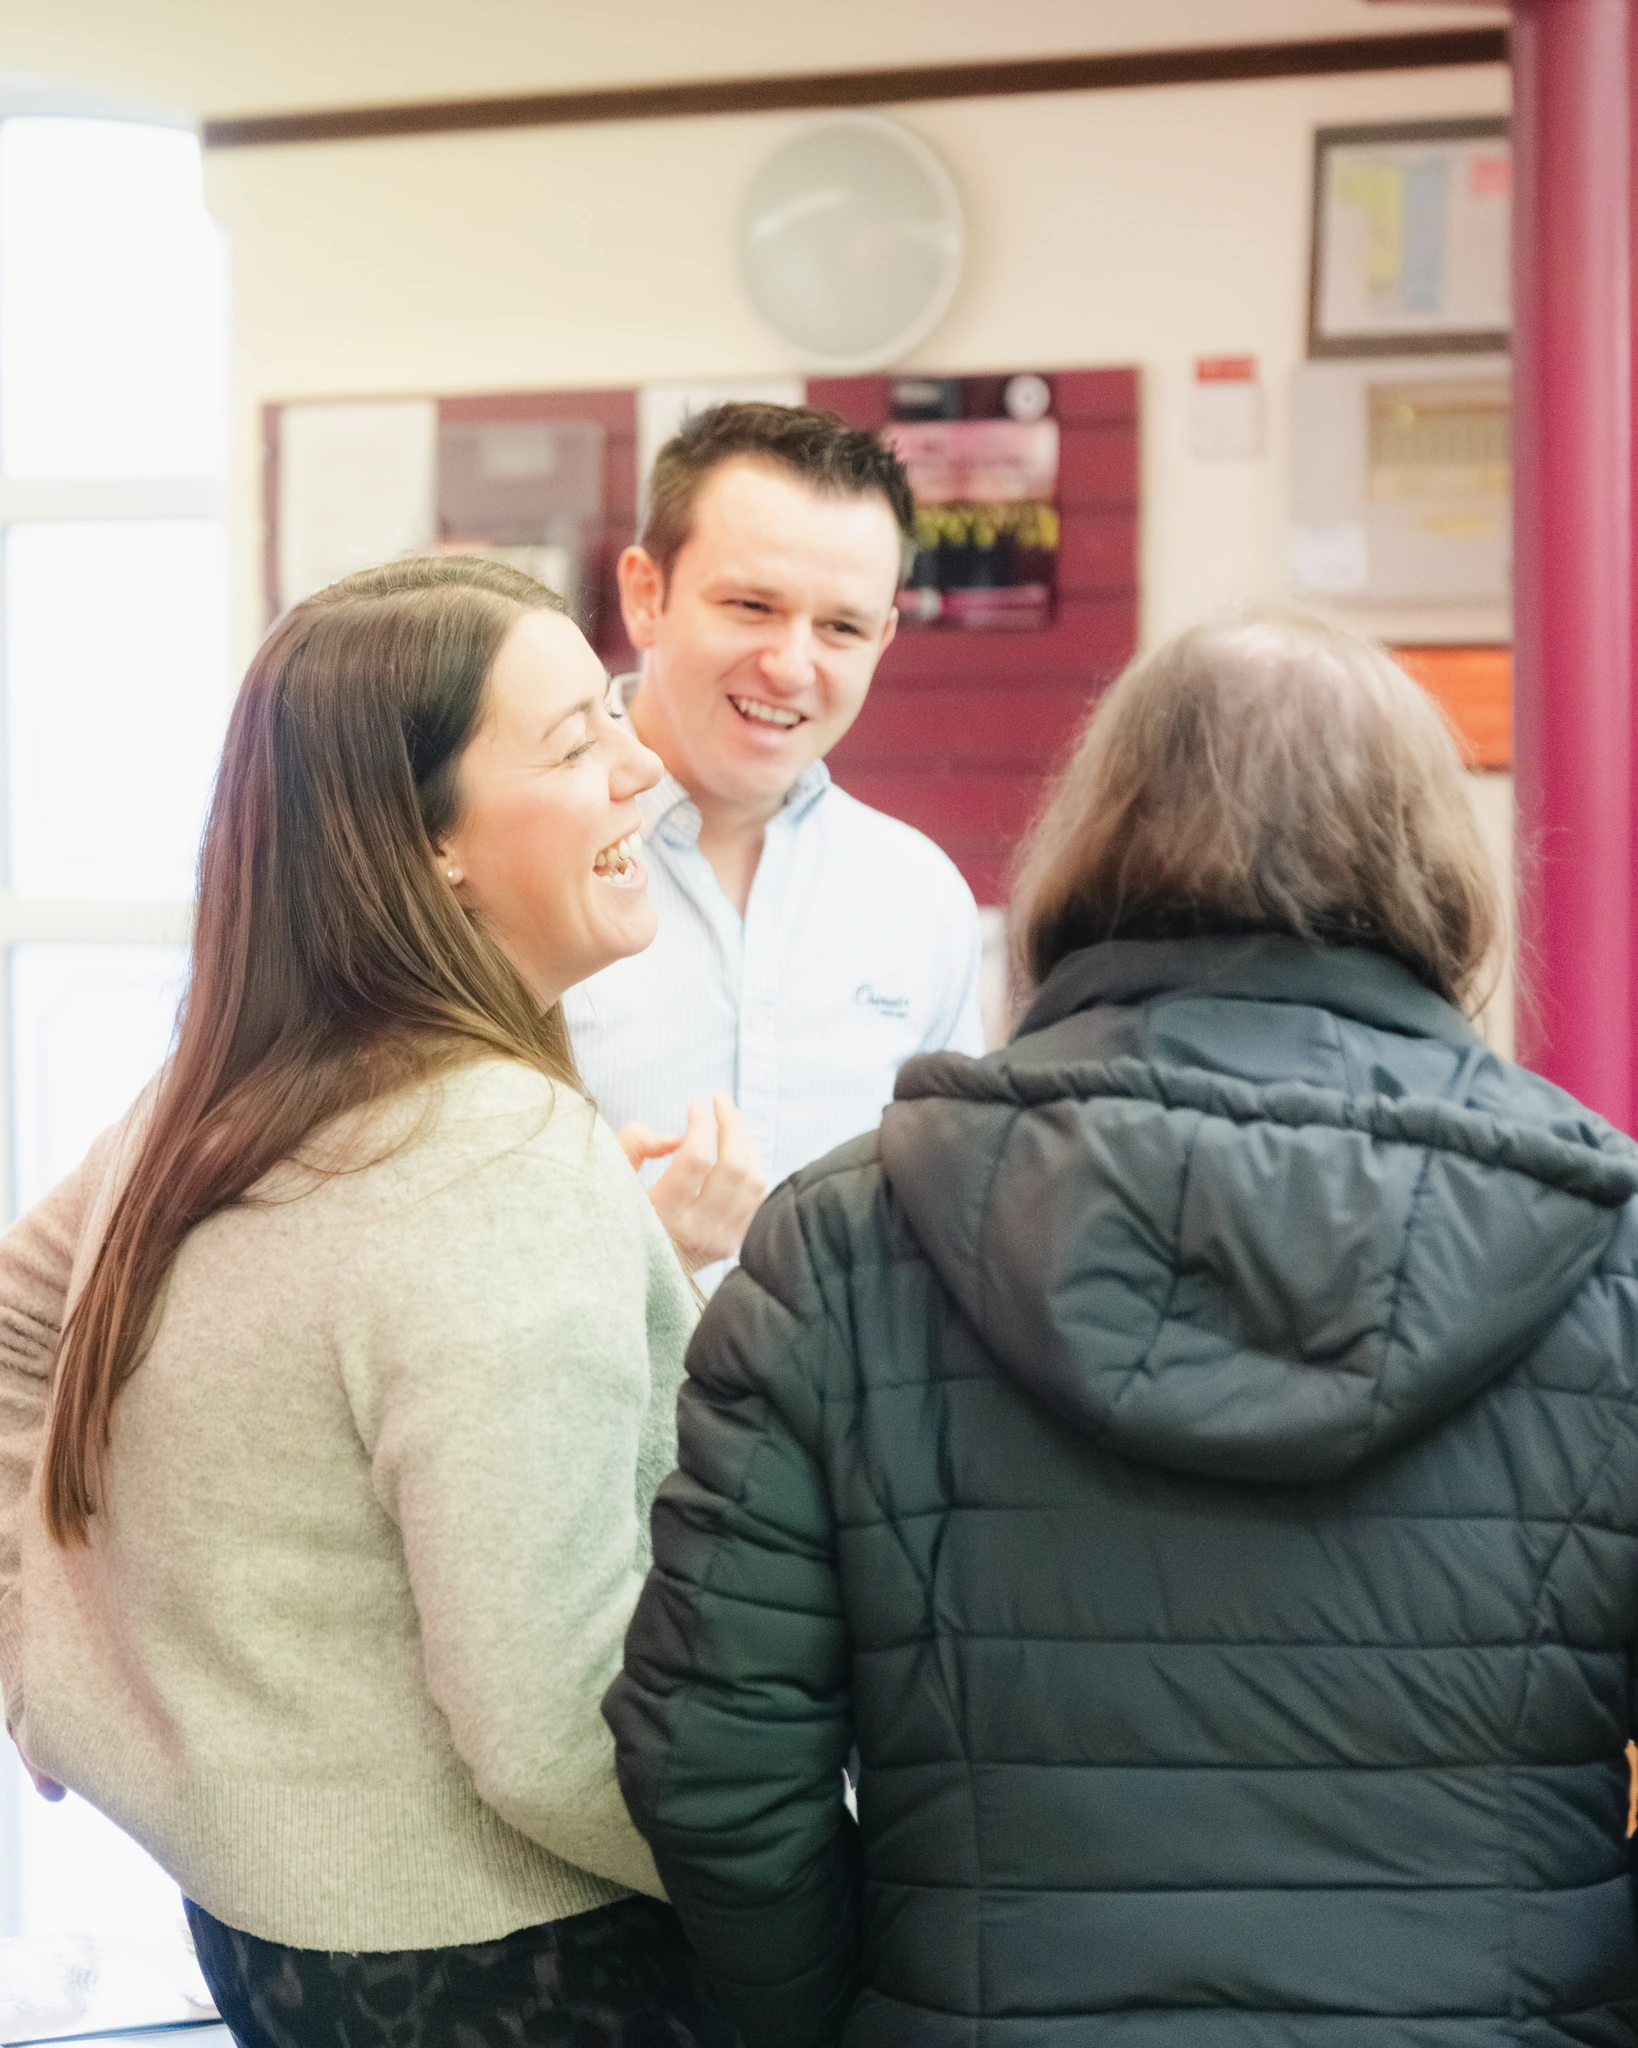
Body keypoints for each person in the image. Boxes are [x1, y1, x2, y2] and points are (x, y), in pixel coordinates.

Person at [605, 607, 1638, 2047]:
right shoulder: (1604, 1247)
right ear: (1434, 863)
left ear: (1091, 840)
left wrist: (838, 2018)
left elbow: (715, 1757)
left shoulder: (847, 1240)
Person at [0, 557, 751, 2045]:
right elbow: (548, 1733)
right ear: (432, 851)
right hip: (508, 1962)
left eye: (612, 709)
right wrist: (804, 1902)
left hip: (270, 1934)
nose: (643, 761)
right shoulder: (502, 1158)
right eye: (572, 741)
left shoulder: (223, 1097)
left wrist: (42, 1654)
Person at [564, 402, 984, 1284]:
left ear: (883, 639)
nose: (793, 666)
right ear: (648, 594)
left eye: (840, 627)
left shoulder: (919, 900)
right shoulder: (515, 862)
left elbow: (953, 1228)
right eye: (752, 605)